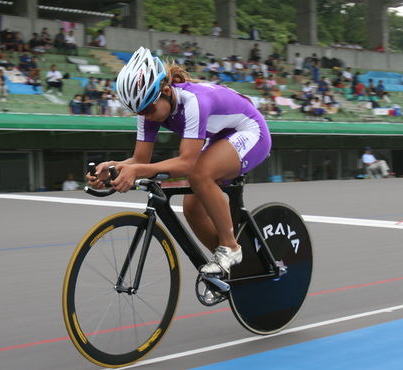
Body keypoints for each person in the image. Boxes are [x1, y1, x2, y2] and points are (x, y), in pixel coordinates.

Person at [87, 47, 272, 277]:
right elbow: (140, 160)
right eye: (139, 111)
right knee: (191, 208)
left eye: (147, 109)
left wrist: (135, 170)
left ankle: (231, 248)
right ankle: (233, 272)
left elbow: (186, 164)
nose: (145, 115)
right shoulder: (149, 107)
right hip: (219, 136)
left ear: (165, 91)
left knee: (199, 174)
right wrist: (113, 168)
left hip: (251, 131)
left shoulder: (193, 101)